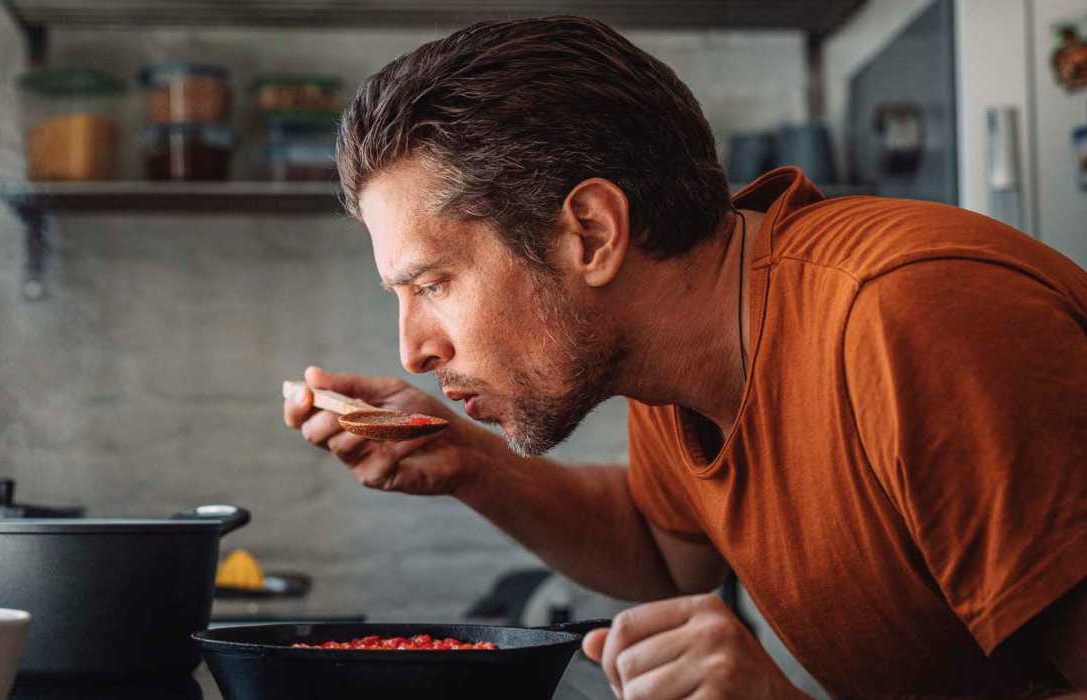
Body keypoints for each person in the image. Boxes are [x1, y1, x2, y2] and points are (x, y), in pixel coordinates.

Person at [283, 16, 1087, 699]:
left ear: (591, 234)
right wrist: (471, 464)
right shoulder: (677, 350)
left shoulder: (912, 318)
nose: (414, 349)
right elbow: (668, 554)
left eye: (434, 283)